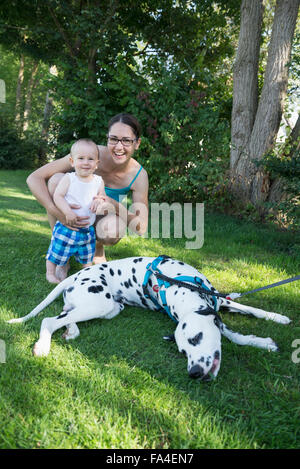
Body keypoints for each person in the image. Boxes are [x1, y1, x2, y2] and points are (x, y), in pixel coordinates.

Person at [27, 113, 149, 281]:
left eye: (126, 140)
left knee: (113, 228)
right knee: (56, 180)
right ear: (107, 138)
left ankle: (97, 250)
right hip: (70, 208)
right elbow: (34, 178)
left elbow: (141, 227)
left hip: (102, 213)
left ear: (137, 143)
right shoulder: (90, 153)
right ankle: (62, 252)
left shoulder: (139, 175)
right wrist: (57, 212)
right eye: (113, 139)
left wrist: (113, 204)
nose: (119, 147)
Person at [46, 138, 106, 283]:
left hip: (87, 229)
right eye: (81, 158)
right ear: (72, 162)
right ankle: (50, 273)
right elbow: (58, 196)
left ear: (96, 164)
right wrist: (67, 212)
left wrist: (99, 200)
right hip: (67, 227)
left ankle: (87, 273)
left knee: (87, 255)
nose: (86, 162)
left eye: (90, 159)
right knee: (57, 251)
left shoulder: (98, 181)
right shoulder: (69, 178)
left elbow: (102, 196)